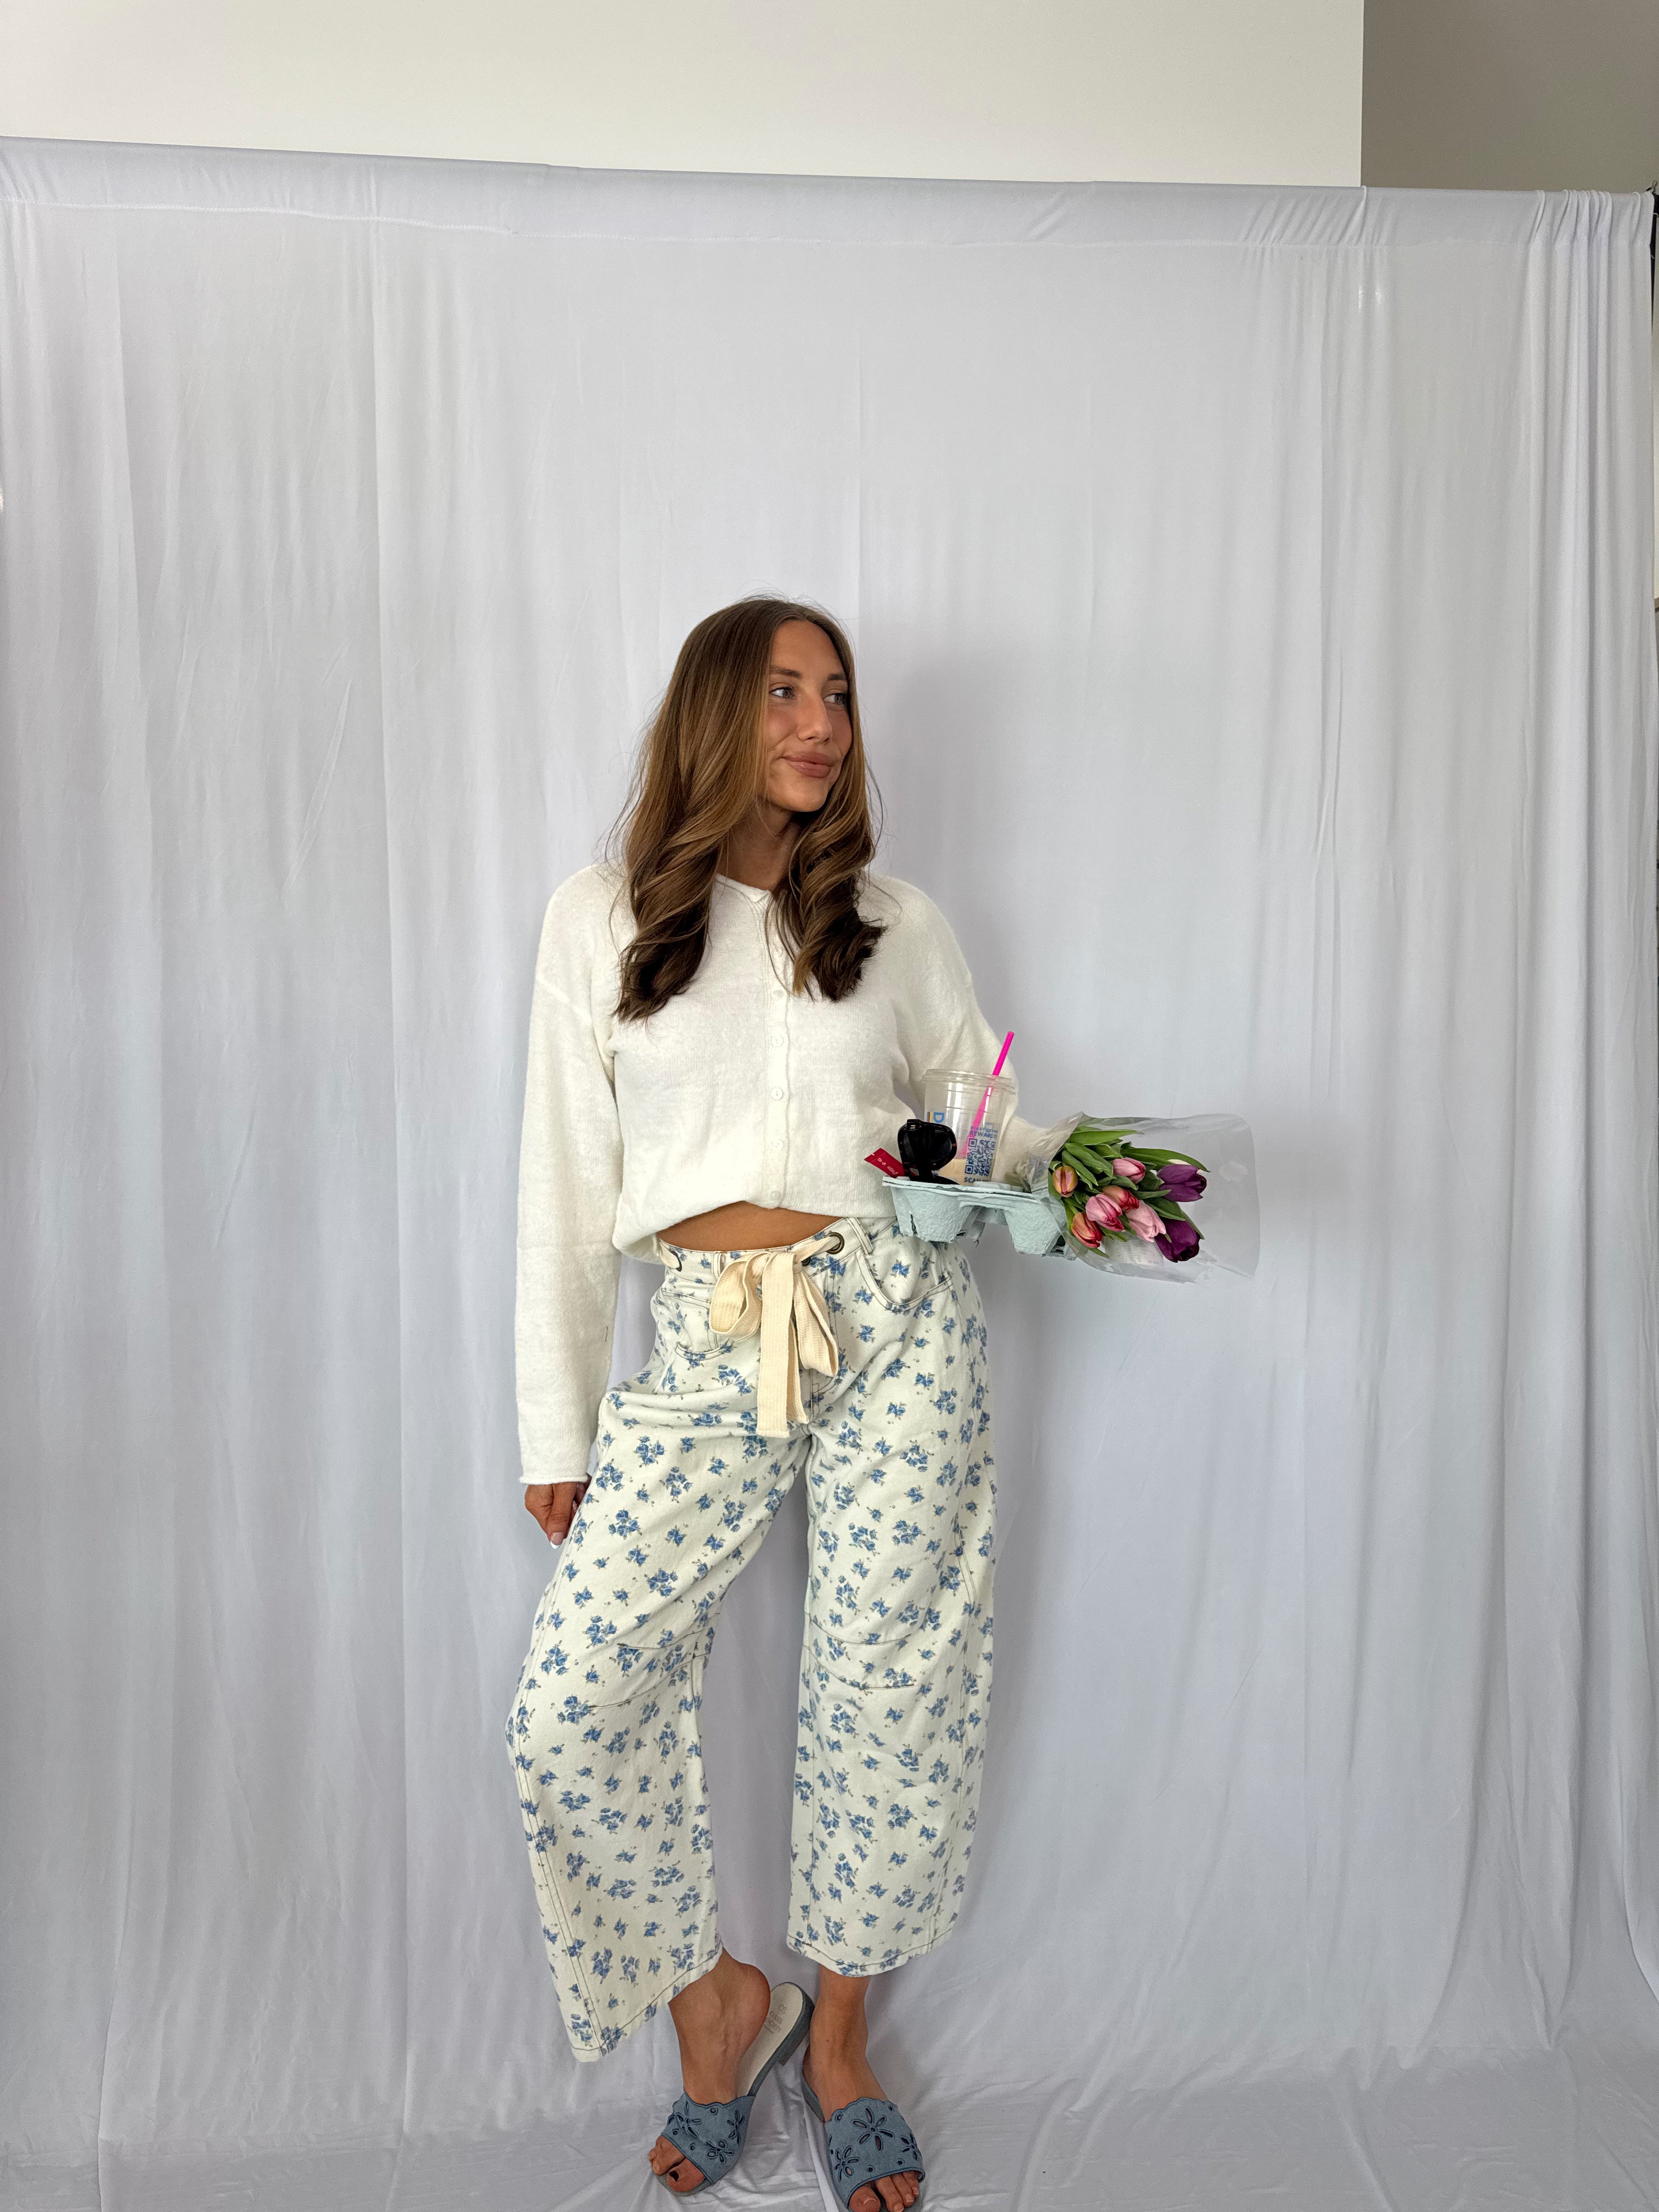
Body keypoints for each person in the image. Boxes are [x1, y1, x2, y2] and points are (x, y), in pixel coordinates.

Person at [506, 596, 1045, 2210]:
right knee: (569, 1708)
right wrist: (561, 1422)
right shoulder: (603, 919)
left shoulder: (896, 921)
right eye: (786, 692)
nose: (821, 722)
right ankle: (719, 2006)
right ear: (713, 712)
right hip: (710, 1337)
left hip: (895, 1322)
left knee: (891, 1685)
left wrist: (1065, 1176)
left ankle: (842, 2044)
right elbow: (561, 1182)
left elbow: (984, 1119)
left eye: (840, 695)